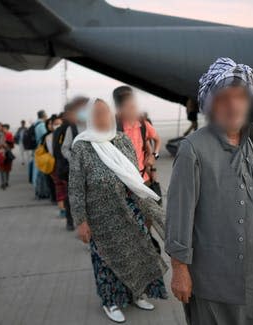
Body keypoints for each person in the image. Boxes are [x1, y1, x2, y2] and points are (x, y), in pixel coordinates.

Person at [165, 58, 253, 325]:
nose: (233, 104)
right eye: (223, 98)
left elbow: (245, 185)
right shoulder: (192, 149)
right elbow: (178, 214)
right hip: (217, 277)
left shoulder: (252, 134)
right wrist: (179, 270)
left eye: (240, 96)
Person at [69, 99, 168, 323]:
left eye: (105, 113)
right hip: (99, 216)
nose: (102, 118)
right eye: (97, 114)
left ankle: (137, 293)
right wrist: (81, 221)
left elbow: (133, 178)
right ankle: (110, 301)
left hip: (129, 209)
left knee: (138, 253)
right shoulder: (82, 146)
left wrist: (146, 209)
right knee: (106, 261)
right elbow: (75, 187)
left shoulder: (122, 140)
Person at [113, 86, 161, 184]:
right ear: (119, 109)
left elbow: (156, 140)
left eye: (134, 105)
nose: (133, 109)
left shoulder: (143, 125)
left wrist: (154, 157)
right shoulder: (114, 128)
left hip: (143, 178)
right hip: (123, 181)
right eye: (129, 106)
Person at [56, 96, 89, 230]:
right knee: (74, 196)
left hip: (91, 170)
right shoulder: (72, 128)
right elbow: (64, 148)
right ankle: (71, 221)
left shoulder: (94, 126)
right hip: (75, 169)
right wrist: (74, 159)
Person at [33, 110, 50, 199]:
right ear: (43, 116)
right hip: (42, 150)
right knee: (42, 172)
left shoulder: (35, 125)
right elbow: (45, 137)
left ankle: (38, 191)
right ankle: (41, 192)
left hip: (37, 149)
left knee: (38, 172)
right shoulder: (42, 125)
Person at [0, 124, 14, 190]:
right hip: (0, 154)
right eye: (3, 128)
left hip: (7, 154)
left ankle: (6, 182)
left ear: (7, 129)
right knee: (1, 169)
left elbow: (12, 146)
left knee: (7, 169)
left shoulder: (9, 135)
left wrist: (6, 145)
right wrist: (0, 145)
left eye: (5, 128)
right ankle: (2, 183)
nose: (3, 130)